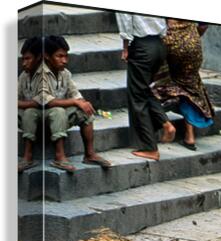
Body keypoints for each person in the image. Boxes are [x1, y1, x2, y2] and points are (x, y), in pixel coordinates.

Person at [37, 35, 112, 173]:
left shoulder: (65, 73)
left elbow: (75, 94)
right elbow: (45, 101)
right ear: (47, 56)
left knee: (84, 109)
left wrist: (83, 103)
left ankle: (89, 154)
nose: (64, 60)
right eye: (59, 56)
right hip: (40, 118)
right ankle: (59, 156)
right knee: (58, 111)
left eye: (66, 56)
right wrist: (74, 101)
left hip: (58, 118)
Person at [116, 12, 176, 161]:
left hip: (142, 45)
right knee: (144, 90)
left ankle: (151, 147)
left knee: (137, 96)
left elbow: (125, 20)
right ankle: (164, 123)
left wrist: (125, 47)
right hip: (158, 44)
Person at [151, 19, 214, 151]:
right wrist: (189, 36)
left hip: (171, 41)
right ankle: (189, 136)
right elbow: (204, 25)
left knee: (162, 83)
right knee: (189, 87)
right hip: (192, 42)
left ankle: (164, 123)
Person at [17, 37, 44, 173]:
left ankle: (28, 157)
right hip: (29, 116)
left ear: (39, 57)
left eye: (28, 59)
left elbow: (39, 102)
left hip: (46, 117)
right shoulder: (24, 76)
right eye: (23, 59)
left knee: (30, 111)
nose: (24, 63)